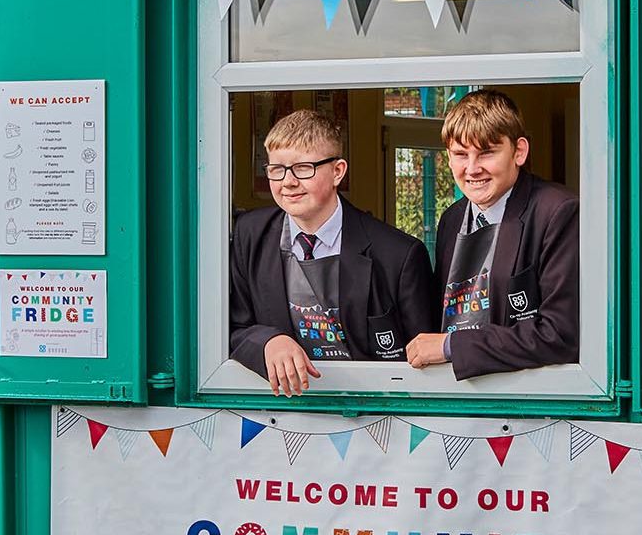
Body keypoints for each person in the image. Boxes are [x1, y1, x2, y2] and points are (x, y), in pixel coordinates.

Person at [230, 110, 437, 396]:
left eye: (303, 168)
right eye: (277, 169)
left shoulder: (400, 255)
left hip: (377, 416)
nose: (287, 182)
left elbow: (425, 359)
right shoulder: (248, 234)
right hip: (282, 412)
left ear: (338, 171)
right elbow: (231, 326)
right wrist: (268, 341)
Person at [404, 90, 579, 379]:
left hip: (526, 399)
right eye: (460, 154)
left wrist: (451, 346)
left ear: (519, 151)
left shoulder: (557, 212)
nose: (472, 169)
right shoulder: (451, 219)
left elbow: (559, 334)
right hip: (454, 393)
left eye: (486, 152)